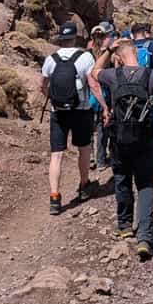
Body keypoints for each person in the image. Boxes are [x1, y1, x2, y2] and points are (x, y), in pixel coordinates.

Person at [92, 38, 153, 260]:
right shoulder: (152, 76)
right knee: (145, 184)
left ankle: (125, 224)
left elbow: (95, 70)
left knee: (121, 177)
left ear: (119, 57)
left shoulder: (113, 75)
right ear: (137, 55)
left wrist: (108, 50)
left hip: (119, 138)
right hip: (145, 139)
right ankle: (145, 237)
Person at [41, 21, 109, 215]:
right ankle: (84, 185)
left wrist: (52, 98)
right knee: (84, 148)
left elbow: (43, 85)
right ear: (75, 37)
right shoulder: (85, 57)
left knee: (57, 154)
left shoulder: (50, 59)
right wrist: (104, 106)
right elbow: (93, 86)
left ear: (60, 38)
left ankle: (54, 197)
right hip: (81, 110)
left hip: (58, 111)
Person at [87, 21, 117, 171]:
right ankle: (100, 160)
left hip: (89, 94)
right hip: (104, 94)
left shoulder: (87, 52)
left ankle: (90, 158)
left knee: (90, 127)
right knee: (102, 128)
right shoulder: (108, 53)